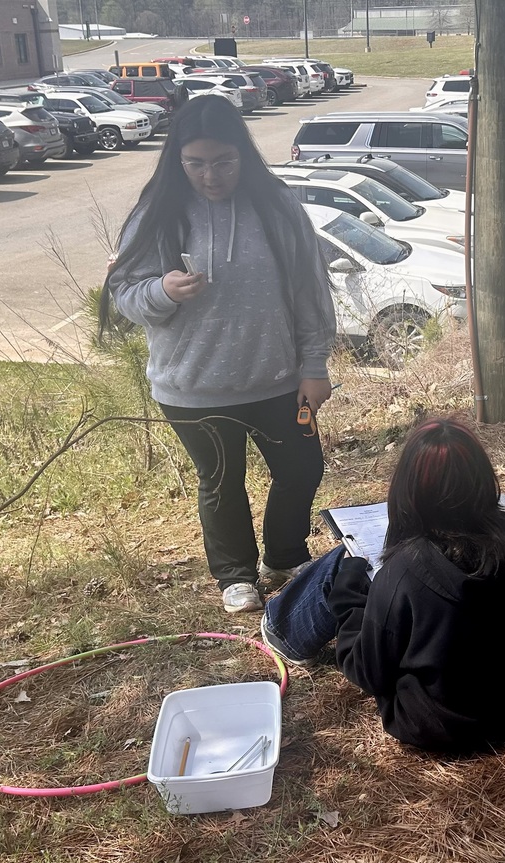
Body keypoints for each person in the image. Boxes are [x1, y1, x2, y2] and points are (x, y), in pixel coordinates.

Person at [100, 95, 336, 615]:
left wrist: (314, 365)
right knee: (222, 482)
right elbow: (124, 296)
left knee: (302, 469)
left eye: (224, 162)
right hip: (192, 389)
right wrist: (163, 290)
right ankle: (235, 574)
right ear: (178, 161)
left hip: (277, 380)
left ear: (244, 156)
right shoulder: (157, 215)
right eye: (197, 164)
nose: (211, 175)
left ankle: (284, 555)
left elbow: (309, 291)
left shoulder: (277, 208)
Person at [260, 418, 505, 753]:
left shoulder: (405, 569)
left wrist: (348, 599)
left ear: (407, 490)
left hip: (439, 725)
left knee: (344, 561)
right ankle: (285, 624)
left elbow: (367, 671)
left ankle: (281, 629)